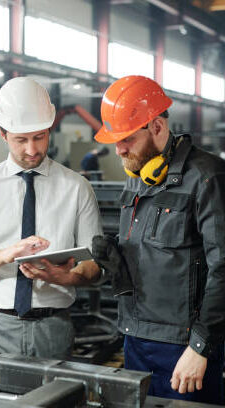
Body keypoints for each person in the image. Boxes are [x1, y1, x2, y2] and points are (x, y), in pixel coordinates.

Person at [87, 75, 225, 405]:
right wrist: (116, 265)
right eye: (115, 140)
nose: (118, 149)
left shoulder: (207, 177)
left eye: (127, 139)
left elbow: (223, 268)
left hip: (183, 348)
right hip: (135, 340)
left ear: (157, 126)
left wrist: (200, 346)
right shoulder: (137, 180)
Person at [0, 77, 102, 359]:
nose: (32, 150)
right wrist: (6, 255)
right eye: (21, 140)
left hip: (53, 326)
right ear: (3, 134)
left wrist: (66, 276)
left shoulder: (77, 188)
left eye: (40, 137)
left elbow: (95, 265)